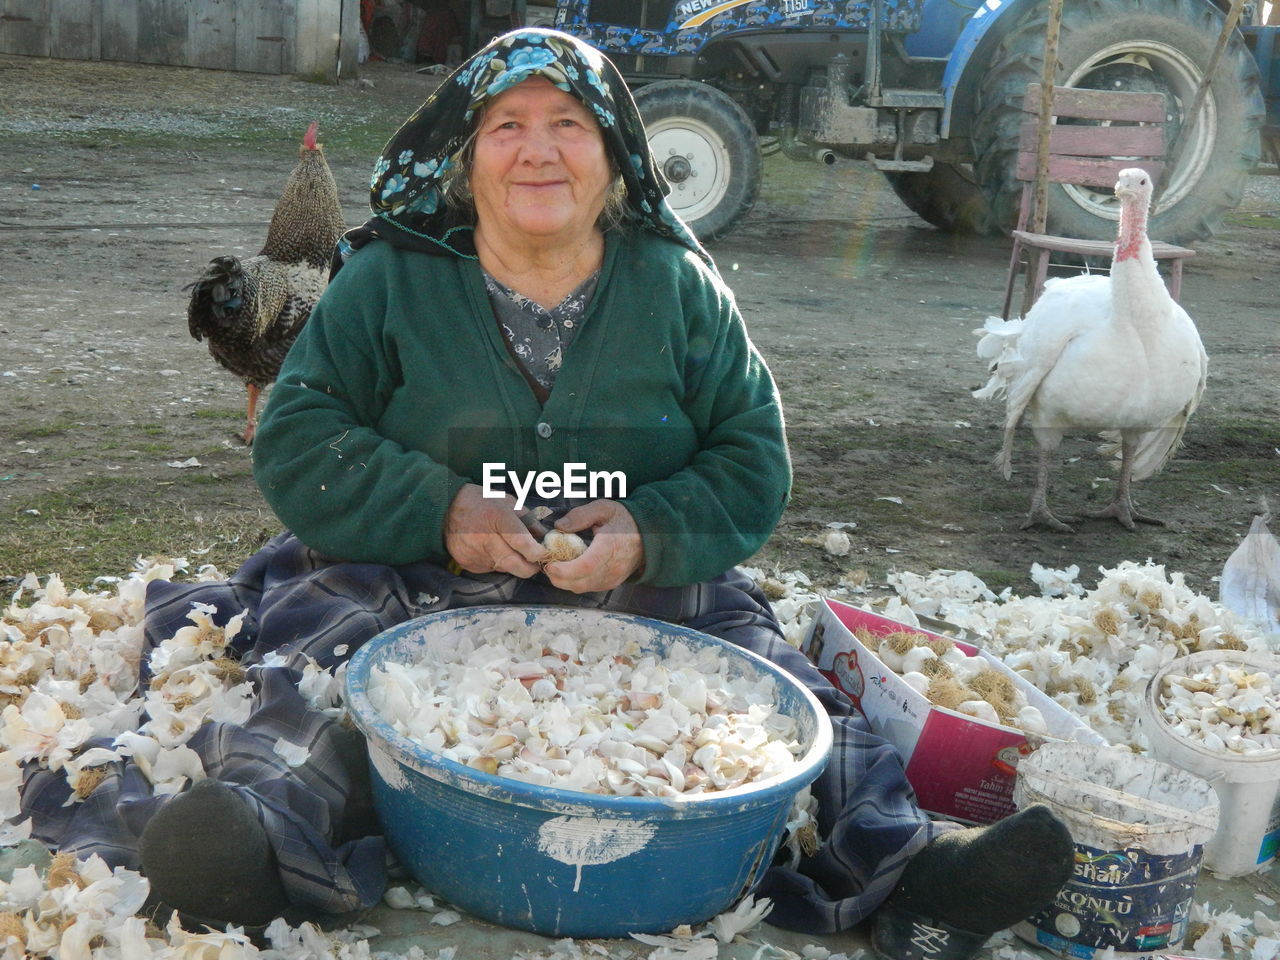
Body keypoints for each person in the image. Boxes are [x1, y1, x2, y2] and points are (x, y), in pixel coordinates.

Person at [16, 28, 1073, 960]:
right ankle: (254, 849)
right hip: (408, 569)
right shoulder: (389, 278)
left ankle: (908, 874)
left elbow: (751, 456)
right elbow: (298, 438)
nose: (536, 148)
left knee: (766, 683)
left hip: (631, 588)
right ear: (463, 160)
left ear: (612, 155)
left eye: (567, 123)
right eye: (506, 126)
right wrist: (440, 510)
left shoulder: (676, 287)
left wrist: (649, 528)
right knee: (315, 673)